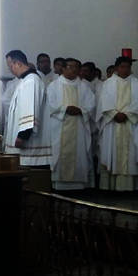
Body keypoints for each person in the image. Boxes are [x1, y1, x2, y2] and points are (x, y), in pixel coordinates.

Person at [46, 58, 96, 190]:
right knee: (58, 152)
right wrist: (65, 109)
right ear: (63, 68)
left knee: (80, 153)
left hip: (79, 125)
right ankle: (59, 185)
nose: (73, 69)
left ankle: (78, 185)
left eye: (76, 67)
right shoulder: (54, 85)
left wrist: (81, 110)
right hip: (59, 126)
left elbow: (91, 105)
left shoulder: (84, 86)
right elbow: (50, 105)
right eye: (70, 66)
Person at [97, 56, 138, 191]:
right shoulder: (108, 83)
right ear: (117, 68)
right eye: (122, 67)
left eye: (128, 67)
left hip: (130, 123)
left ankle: (130, 187)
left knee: (131, 154)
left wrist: (127, 114)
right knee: (111, 152)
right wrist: (114, 114)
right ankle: (110, 186)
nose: (125, 69)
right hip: (112, 124)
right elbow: (104, 101)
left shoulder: (136, 83)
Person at [3, 50, 51, 167]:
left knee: (28, 174)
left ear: (18, 63)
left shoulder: (31, 81)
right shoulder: (25, 80)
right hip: (26, 147)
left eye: (10, 66)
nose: (10, 70)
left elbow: (30, 110)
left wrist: (22, 136)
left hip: (28, 147)